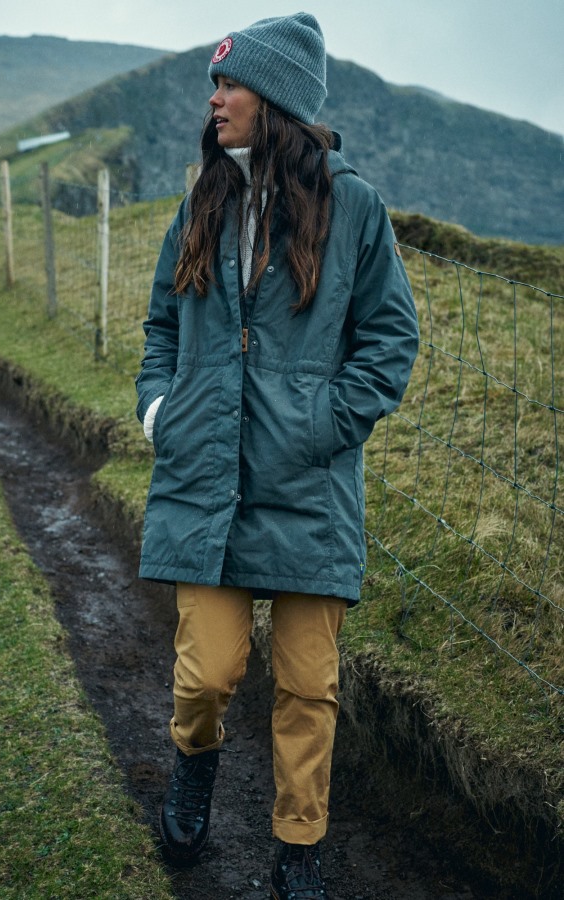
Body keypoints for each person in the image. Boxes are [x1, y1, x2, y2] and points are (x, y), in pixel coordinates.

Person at [135, 11, 420, 899]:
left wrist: (324, 426)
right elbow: (158, 325)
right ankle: (193, 770)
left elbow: (390, 337)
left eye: (230, 85)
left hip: (308, 487)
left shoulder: (354, 206)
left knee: (306, 686)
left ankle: (301, 849)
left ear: (278, 98)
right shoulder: (202, 201)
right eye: (215, 85)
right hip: (202, 477)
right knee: (209, 670)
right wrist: (158, 412)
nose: (214, 100)